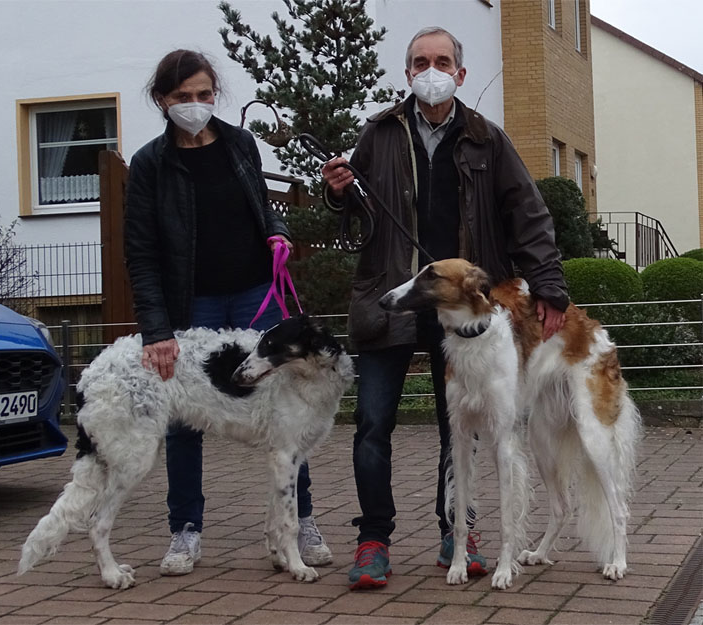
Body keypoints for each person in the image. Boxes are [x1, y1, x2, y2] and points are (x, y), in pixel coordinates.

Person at [321, 27, 569, 590]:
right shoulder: (380, 133)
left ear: (459, 73)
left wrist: (550, 289)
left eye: (441, 61)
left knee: (459, 430)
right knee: (372, 424)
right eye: (419, 62)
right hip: (390, 298)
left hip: (462, 309)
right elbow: (357, 211)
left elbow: (528, 215)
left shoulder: (487, 139)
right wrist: (338, 192)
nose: (429, 71)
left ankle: (457, 532)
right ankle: (373, 540)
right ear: (407, 72)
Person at [124, 49, 331, 577]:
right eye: (182, 96)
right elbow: (141, 254)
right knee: (182, 419)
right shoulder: (149, 164)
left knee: (289, 404)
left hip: (255, 292)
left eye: (204, 94)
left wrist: (278, 233)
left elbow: (262, 208)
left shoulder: (240, 143)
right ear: (162, 100)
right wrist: (156, 330)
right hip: (190, 303)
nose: (195, 105)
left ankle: (302, 520)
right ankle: (185, 529)